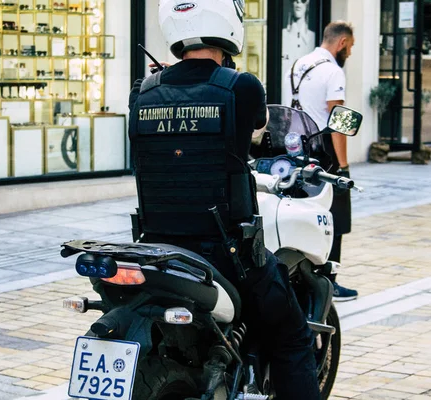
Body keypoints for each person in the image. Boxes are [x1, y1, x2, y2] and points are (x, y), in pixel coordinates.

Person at [128, 1, 321, 399]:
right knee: (292, 334)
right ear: (230, 23)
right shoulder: (241, 86)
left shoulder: (143, 91)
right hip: (227, 255)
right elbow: (259, 127)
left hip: (156, 247)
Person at [286, 21, 358, 302]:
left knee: (303, 215)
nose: (349, 53)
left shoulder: (297, 65)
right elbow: (338, 122)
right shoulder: (333, 71)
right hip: (323, 152)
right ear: (341, 43)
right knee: (335, 219)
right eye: (350, 47)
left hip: (295, 150)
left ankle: (301, 279)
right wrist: (343, 166)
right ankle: (329, 283)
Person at [281, 0, 316, 105]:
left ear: (307, 4)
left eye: (302, 1)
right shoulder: (283, 35)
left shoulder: (312, 37)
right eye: (295, 1)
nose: (298, 3)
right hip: (286, 95)